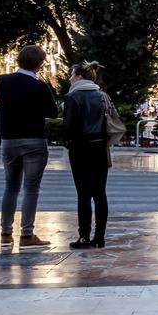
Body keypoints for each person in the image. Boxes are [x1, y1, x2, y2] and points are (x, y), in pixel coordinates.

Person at [0, 44, 58, 248]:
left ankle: (5, 234)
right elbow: (53, 112)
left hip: (9, 140)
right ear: (39, 64)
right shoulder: (39, 86)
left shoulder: (2, 81)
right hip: (34, 140)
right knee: (31, 188)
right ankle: (27, 235)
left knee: (10, 187)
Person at [61, 61, 112, 250]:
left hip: (80, 149)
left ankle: (84, 236)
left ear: (80, 77)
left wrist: (68, 142)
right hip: (100, 148)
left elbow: (67, 127)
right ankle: (100, 237)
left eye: (72, 74)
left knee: (83, 194)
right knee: (100, 193)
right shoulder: (102, 95)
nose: (69, 77)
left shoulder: (72, 97)